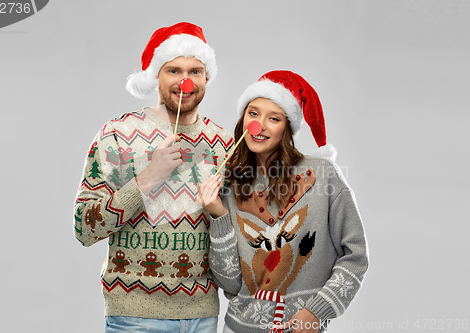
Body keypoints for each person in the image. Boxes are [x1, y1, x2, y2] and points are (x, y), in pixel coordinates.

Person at [73, 22, 234, 333]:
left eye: (195, 71)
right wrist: (148, 177)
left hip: (203, 317)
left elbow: (234, 236)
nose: (185, 81)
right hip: (134, 319)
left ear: (207, 77)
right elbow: (84, 228)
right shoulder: (117, 136)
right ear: (155, 75)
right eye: (174, 70)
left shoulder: (224, 144)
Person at [199, 70, 369, 333]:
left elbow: (356, 257)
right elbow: (230, 284)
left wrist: (316, 311)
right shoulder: (229, 183)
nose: (259, 125)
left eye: (274, 118)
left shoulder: (323, 175)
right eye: (253, 113)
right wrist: (218, 216)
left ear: (287, 127)